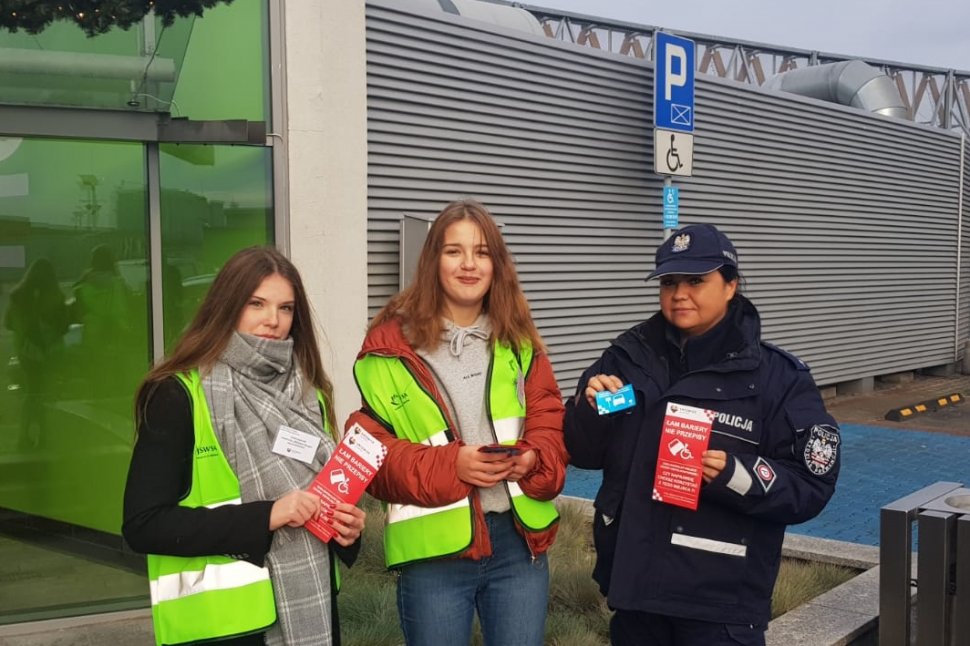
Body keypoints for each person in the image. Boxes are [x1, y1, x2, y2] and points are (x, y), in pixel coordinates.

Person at [563, 224, 840, 646]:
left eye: (697, 281)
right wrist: (591, 410)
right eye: (669, 282)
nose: (679, 294)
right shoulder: (625, 357)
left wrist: (735, 475)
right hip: (636, 595)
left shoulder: (778, 378)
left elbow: (811, 483)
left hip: (720, 606)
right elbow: (581, 451)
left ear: (730, 286)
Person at [346, 199, 568, 646]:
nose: (469, 264)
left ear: (497, 264)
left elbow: (549, 426)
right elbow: (373, 456)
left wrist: (533, 459)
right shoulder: (392, 346)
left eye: (482, 252)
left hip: (516, 544)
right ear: (432, 261)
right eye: (454, 251)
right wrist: (454, 467)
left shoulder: (519, 342)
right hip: (434, 554)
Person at [123, 246, 365, 646]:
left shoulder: (308, 394)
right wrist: (268, 515)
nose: (273, 320)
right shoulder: (179, 395)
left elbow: (326, 496)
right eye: (257, 303)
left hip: (312, 612)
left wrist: (347, 529)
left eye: (286, 308)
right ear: (227, 305)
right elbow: (143, 525)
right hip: (222, 628)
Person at [3, 258, 69, 448]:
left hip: (26, 352)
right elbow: (63, 326)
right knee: (45, 393)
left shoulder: (18, 296)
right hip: (49, 351)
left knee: (32, 393)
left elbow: (8, 323)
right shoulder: (55, 296)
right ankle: (44, 436)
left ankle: (23, 436)